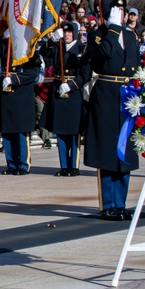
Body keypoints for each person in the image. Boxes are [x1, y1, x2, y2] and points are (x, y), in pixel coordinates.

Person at [84, 0, 140, 220]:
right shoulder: (97, 35)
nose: (122, 14)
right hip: (107, 96)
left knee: (125, 150)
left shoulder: (131, 35)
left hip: (128, 96)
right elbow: (103, 55)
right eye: (117, 11)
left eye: (123, 11)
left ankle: (121, 202)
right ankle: (108, 204)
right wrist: (113, 29)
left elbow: (134, 63)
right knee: (108, 151)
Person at [40, 23, 90, 176]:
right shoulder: (58, 47)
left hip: (73, 93)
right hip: (58, 91)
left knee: (73, 131)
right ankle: (64, 166)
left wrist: (71, 85)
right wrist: (52, 41)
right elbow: (44, 52)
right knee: (60, 131)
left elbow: (85, 74)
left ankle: (73, 166)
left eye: (69, 32)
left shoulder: (82, 49)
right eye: (65, 32)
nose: (67, 34)